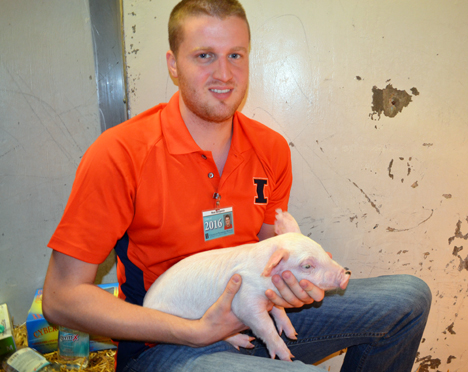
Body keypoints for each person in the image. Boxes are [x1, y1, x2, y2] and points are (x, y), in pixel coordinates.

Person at [42, 0, 432, 371]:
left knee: (408, 299)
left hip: (251, 318)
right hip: (164, 342)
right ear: (173, 65)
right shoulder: (119, 153)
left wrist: (295, 282)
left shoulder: (271, 148)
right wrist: (195, 332)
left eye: (236, 55)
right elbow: (61, 300)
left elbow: (269, 254)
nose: (225, 74)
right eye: (204, 55)